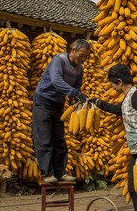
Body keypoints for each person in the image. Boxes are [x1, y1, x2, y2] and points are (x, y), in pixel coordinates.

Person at [88, 64, 137, 211]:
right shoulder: (128, 97)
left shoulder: (136, 94)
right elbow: (120, 110)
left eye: (112, 84)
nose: (112, 88)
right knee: (134, 188)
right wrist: (99, 103)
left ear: (119, 82)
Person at [32, 39, 90, 184]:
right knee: (44, 138)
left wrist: (77, 103)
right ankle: (47, 174)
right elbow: (56, 81)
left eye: (85, 57)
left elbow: (77, 86)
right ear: (73, 51)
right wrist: (75, 93)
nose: (83, 59)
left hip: (58, 104)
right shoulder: (59, 60)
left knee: (59, 139)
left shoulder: (79, 68)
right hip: (43, 101)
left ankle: (60, 172)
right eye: (81, 55)